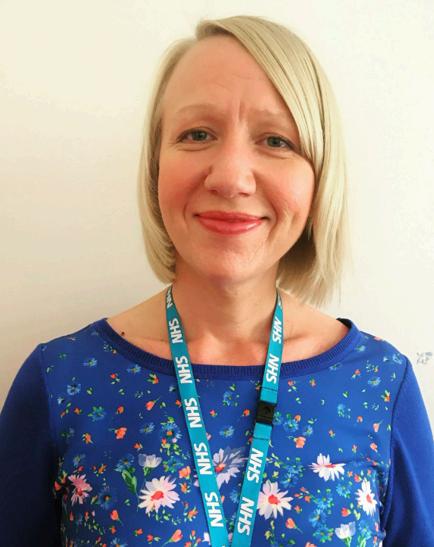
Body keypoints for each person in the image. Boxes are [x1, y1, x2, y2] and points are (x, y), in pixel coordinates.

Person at [0, 14, 433, 547]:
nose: (231, 177)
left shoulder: (380, 387)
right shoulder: (60, 383)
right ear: (156, 166)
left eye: (276, 140)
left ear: (318, 178)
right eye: (197, 134)